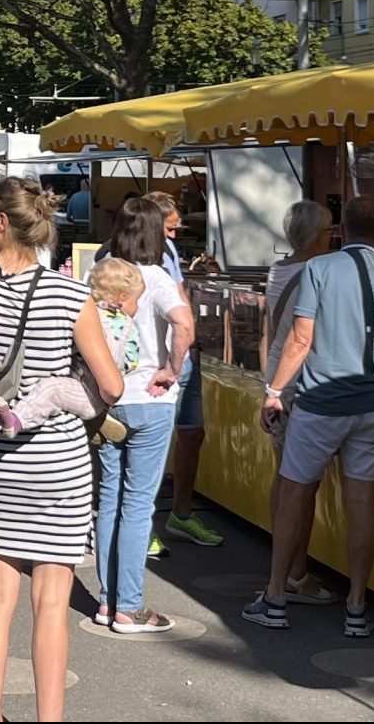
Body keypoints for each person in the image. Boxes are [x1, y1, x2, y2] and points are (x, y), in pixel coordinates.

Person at [0, 177, 124, 721]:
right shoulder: (72, 295)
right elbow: (113, 388)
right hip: (58, 465)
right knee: (51, 603)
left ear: (1, 224)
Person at [247, 195, 374, 638]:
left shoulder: (319, 270)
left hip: (320, 401)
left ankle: (276, 595)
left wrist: (274, 392)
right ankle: (357, 605)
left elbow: (301, 341)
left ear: (341, 228)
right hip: (372, 407)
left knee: (295, 493)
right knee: (362, 501)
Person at [88, 196, 193, 633]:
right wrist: (172, 367)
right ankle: (129, 606)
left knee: (109, 498)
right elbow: (185, 325)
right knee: (137, 504)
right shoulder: (157, 278)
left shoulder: (103, 274)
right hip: (151, 399)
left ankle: (108, 600)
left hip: (109, 399)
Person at [259, 200, 342, 607]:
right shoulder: (315, 272)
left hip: (278, 378)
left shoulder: (280, 269)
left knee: (285, 480)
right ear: (314, 237)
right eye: (329, 231)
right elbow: (305, 337)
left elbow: (271, 331)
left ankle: (288, 565)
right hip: (298, 383)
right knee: (300, 486)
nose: (334, 237)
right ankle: (296, 572)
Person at [146, 192, 224, 553]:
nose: (176, 236)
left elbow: (180, 300)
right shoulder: (130, 255)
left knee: (192, 434)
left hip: (183, 354)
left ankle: (181, 513)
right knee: (151, 445)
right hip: (155, 360)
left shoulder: (169, 252)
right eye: (171, 228)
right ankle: (141, 523)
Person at [0, 256, 135, 447]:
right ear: (122, 296)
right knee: (59, 393)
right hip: (99, 391)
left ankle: (18, 420)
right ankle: (94, 419)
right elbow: (132, 360)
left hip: (86, 389)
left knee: (52, 389)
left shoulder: (86, 313)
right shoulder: (127, 325)